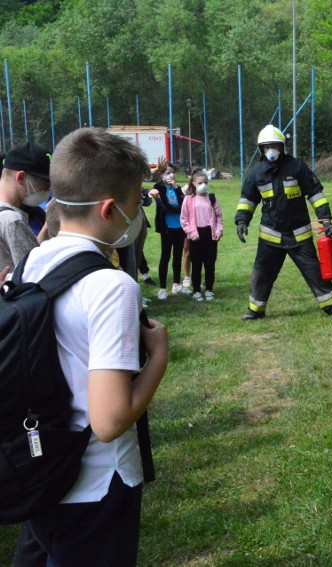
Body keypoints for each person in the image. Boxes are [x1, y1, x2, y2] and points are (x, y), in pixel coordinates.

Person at [12, 127, 169, 566]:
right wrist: (158, 356)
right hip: (97, 487)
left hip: (42, 473)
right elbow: (109, 420)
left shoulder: (33, 261)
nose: (137, 214)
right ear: (108, 209)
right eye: (136, 204)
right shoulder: (111, 287)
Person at [235, 124, 332, 320]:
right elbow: (248, 199)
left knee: (314, 272)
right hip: (270, 235)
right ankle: (255, 310)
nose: (271, 150)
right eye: (266, 146)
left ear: (282, 147)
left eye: (275, 146)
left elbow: (316, 195)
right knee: (261, 274)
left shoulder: (296, 167)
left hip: (299, 234)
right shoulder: (257, 173)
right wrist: (241, 220)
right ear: (261, 149)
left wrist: (326, 220)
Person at [0, 142, 52, 271]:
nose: (47, 191)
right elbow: (35, 272)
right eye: (45, 185)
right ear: (21, 178)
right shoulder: (11, 220)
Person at [180, 170, 223, 301]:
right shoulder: (188, 199)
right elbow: (184, 219)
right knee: (196, 264)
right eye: (200, 183)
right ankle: (197, 290)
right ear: (193, 184)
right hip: (196, 235)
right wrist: (191, 233)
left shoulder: (212, 198)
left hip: (210, 235)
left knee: (210, 264)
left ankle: (209, 289)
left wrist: (218, 231)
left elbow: (219, 216)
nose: (203, 185)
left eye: (205, 182)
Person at [149, 161, 189, 300]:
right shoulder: (158, 188)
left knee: (177, 256)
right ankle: (162, 289)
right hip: (166, 228)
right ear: (161, 175)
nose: (171, 175)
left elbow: (182, 205)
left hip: (179, 227)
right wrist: (160, 198)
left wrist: (177, 188)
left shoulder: (176, 188)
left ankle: (176, 285)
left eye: (173, 172)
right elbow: (166, 206)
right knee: (165, 256)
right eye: (168, 173)